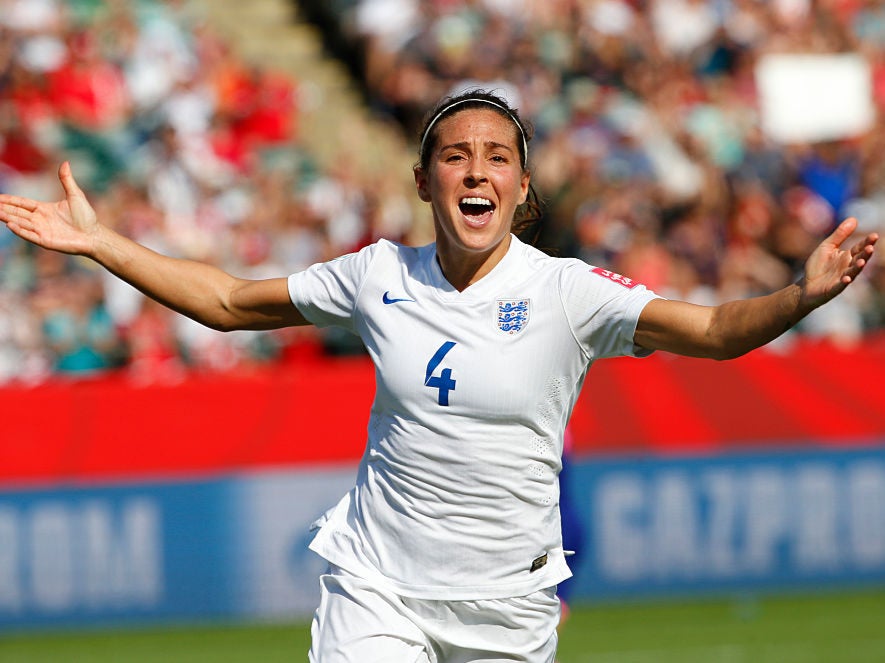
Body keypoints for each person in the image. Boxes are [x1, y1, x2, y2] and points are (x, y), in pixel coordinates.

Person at [0, 90, 877, 662]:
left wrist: (799, 295)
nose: (476, 170)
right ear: (424, 180)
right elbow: (229, 300)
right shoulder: (377, 273)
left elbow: (718, 330)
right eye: (455, 155)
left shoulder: (568, 292)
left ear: (522, 187)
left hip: (504, 609)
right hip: (377, 586)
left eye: (497, 156)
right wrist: (100, 242)